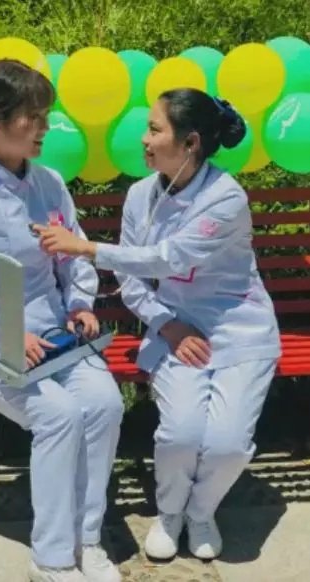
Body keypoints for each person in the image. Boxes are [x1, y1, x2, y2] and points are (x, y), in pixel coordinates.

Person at [33, 88, 281, 561]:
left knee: (228, 444)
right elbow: (132, 280)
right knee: (181, 434)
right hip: (175, 330)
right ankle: (170, 512)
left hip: (239, 331)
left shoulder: (226, 198)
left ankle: (201, 513)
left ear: (190, 143)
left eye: (154, 129)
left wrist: (84, 247)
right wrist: (168, 325)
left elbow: (169, 258)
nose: (144, 139)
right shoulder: (140, 195)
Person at [0, 59, 124, 582]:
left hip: (60, 339)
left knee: (105, 405)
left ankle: (87, 538)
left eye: (45, 116)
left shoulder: (49, 183)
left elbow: (73, 255)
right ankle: (52, 558)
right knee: (59, 415)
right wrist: (12, 334)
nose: (44, 128)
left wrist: (81, 302)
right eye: (32, 117)